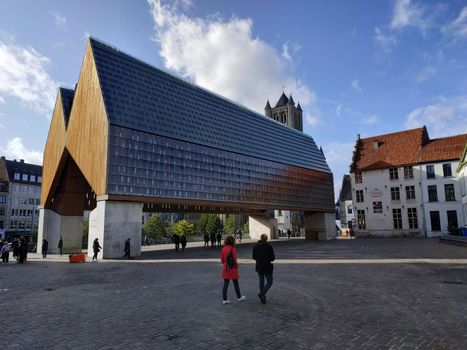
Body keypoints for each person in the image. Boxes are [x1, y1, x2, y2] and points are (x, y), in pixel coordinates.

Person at [220, 235, 246, 304]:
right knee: (236, 283)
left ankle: (224, 299)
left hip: (226, 268)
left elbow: (222, 260)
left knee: (226, 284)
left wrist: (225, 263)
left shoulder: (223, 249)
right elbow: (234, 259)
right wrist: (236, 266)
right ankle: (239, 297)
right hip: (232, 268)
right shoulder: (233, 249)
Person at [252, 234, 275, 304]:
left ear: (260, 238)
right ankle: (262, 294)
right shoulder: (269, 246)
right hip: (267, 266)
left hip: (259, 266)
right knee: (270, 282)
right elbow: (273, 258)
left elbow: (254, 257)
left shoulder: (255, 246)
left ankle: (263, 297)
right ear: (266, 239)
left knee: (261, 281)